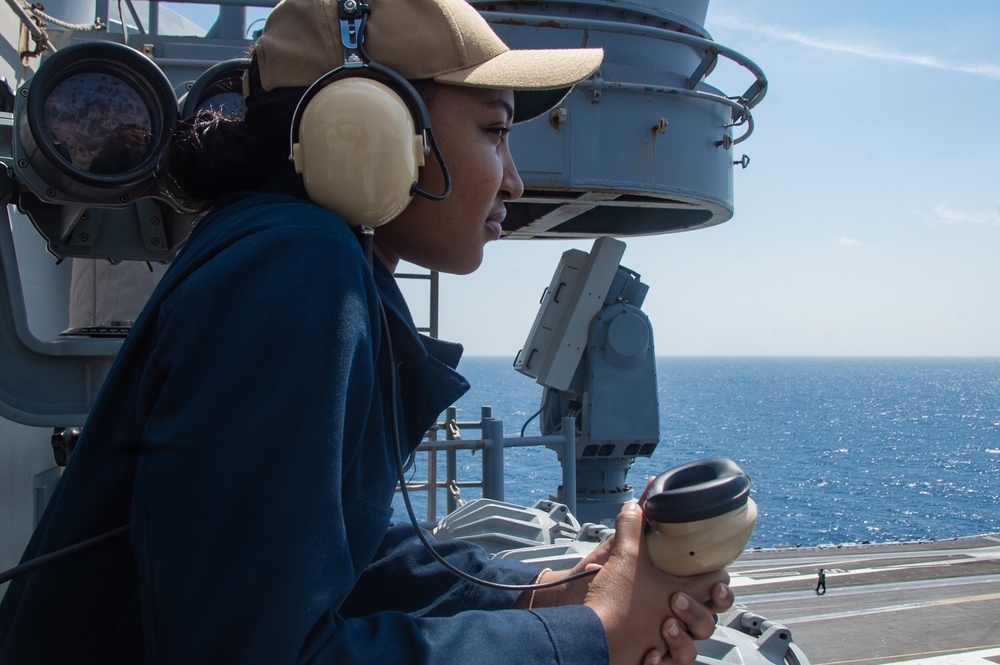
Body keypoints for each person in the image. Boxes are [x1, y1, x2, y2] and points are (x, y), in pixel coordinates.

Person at [0, 0, 734, 663]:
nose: (512, 179)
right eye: (495, 130)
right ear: (377, 127)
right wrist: (591, 638)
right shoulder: (293, 270)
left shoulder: (296, 253)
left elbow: (324, 554)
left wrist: (549, 590)